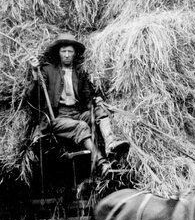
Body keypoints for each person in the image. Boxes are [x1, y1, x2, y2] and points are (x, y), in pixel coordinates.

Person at [23, 34, 129, 177]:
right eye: (63, 51)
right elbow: (34, 97)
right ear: (58, 53)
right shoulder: (47, 71)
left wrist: (95, 100)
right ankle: (102, 163)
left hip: (77, 113)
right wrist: (35, 72)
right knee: (81, 126)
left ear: (75, 54)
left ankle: (111, 144)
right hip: (58, 118)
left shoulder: (80, 73)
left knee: (99, 111)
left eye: (70, 52)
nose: (67, 55)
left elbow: (87, 97)